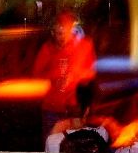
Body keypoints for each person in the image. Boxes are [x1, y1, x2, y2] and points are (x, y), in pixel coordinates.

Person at [31, 9, 97, 143]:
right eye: (58, 33)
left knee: (75, 147)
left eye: (64, 32)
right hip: (52, 109)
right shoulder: (47, 49)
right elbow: (36, 75)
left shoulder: (83, 46)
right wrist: (53, 78)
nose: (61, 37)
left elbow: (91, 73)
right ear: (52, 32)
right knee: (51, 145)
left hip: (74, 111)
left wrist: (76, 76)